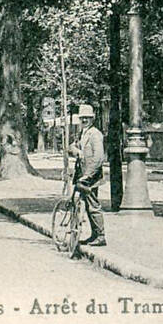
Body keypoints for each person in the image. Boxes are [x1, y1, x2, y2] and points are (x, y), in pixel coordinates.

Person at [67, 104, 106, 247]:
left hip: (91, 177)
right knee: (87, 205)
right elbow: (71, 146)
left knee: (93, 205)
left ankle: (101, 236)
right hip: (81, 175)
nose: (84, 120)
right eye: (82, 118)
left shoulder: (95, 134)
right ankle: (94, 235)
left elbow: (99, 158)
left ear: (92, 119)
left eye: (87, 118)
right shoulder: (82, 133)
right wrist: (75, 150)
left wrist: (87, 176)